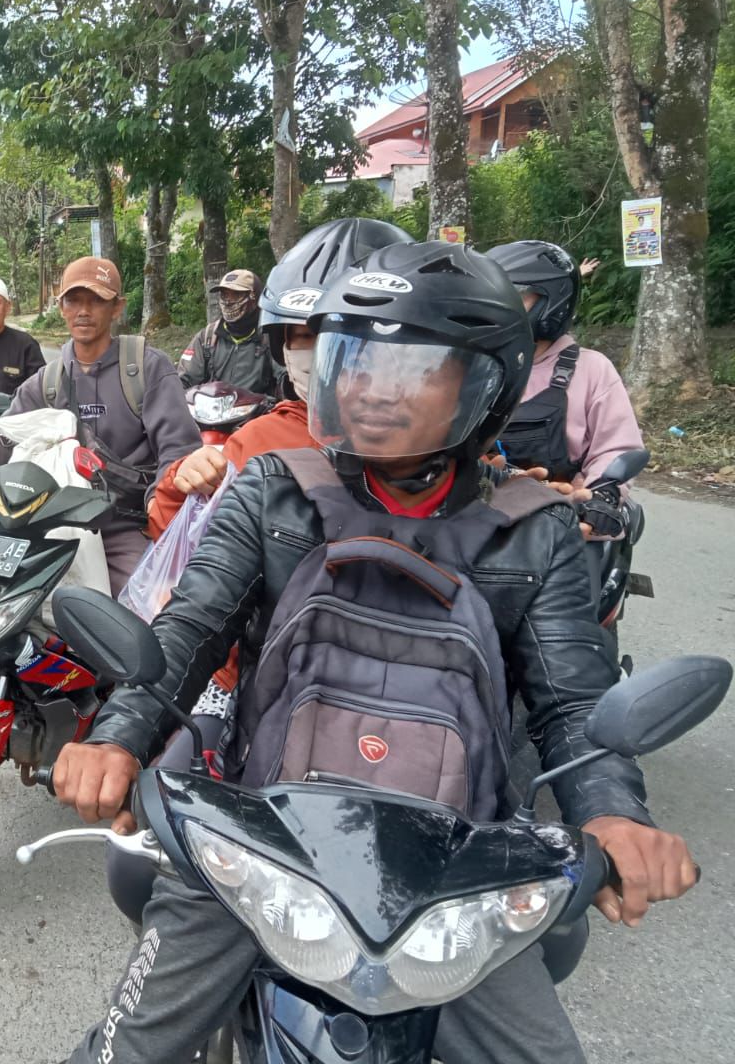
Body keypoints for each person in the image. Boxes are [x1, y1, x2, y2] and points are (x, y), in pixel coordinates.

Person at [50, 242, 697, 1063]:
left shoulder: (536, 530)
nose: (370, 390)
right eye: (353, 362)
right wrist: (116, 734)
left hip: (455, 879)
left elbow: (576, 705)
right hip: (263, 846)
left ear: (484, 385)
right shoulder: (275, 488)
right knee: (123, 1053)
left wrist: (614, 815)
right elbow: (189, 628)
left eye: (411, 369)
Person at [147, 218, 415, 534]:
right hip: (225, 417)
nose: (327, 353)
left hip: (253, 407)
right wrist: (183, 479)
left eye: (349, 334)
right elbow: (178, 531)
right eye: (304, 335)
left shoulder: (432, 440)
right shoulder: (260, 439)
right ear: (283, 344)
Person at [0, 256, 197, 592]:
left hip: (125, 522)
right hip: (52, 522)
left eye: (97, 300)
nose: (84, 310)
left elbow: (179, 450)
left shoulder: (146, 369)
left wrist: (157, 501)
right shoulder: (46, 382)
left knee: (147, 604)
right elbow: (2, 439)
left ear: (117, 307)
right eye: (74, 300)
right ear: (61, 306)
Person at [488, 240, 644, 517]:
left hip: (563, 515)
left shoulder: (591, 369)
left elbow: (616, 449)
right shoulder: (477, 366)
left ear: (554, 301)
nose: (500, 307)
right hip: (481, 513)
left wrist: (599, 498)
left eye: (514, 295)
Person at [176, 267, 279, 395]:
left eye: (236, 294)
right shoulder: (207, 337)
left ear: (254, 296)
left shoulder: (270, 337)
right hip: (210, 411)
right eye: (224, 295)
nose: (228, 301)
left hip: (260, 413)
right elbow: (183, 381)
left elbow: (287, 382)